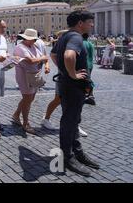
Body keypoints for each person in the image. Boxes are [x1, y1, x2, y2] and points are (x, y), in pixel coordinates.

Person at [52, 10, 99, 177]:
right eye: (89, 22)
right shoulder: (76, 37)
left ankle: (77, 151)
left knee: (73, 119)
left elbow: (54, 54)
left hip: (66, 84)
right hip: (73, 86)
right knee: (69, 121)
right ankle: (67, 157)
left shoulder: (64, 36)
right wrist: (72, 74)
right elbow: (68, 55)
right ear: (80, 23)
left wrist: (64, 71)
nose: (92, 25)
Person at [12, 29, 50, 134]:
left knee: (29, 98)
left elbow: (42, 58)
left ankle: (16, 115)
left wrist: (44, 60)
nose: (34, 41)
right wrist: (43, 58)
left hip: (33, 75)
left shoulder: (33, 46)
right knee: (27, 98)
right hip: (24, 76)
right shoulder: (20, 47)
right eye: (33, 39)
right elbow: (31, 60)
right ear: (27, 39)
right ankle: (25, 123)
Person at [83, 33, 96, 106]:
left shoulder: (81, 43)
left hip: (84, 64)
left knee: (87, 80)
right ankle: (87, 95)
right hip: (90, 64)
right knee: (87, 79)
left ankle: (91, 96)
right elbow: (92, 54)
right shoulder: (90, 44)